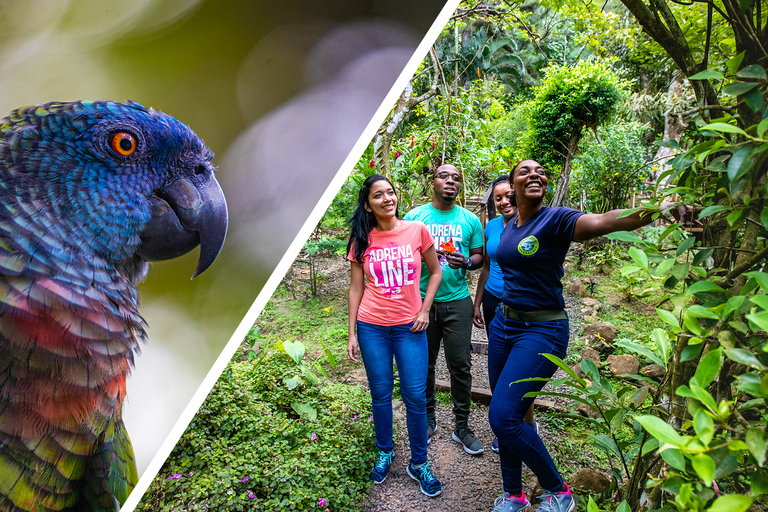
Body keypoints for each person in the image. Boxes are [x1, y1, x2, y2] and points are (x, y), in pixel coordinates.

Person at [488, 160, 676, 512]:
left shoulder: (556, 218)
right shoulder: (510, 225)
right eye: (524, 171)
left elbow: (604, 221)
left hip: (542, 328)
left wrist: (657, 208)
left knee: (503, 417)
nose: (535, 174)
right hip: (503, 325)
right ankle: (513, 494)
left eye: (540, 170)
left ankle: (559, 492)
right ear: (511, 185)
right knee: (510, 413)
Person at [347, 174, 443, 497]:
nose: (387, 198)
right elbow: (356, 288)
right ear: (368, 204)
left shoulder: (417, 230)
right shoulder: (362, 239)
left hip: (410, 327)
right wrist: (352, 334)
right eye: (378, 195)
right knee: (381, 393)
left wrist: (424, 309)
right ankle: (385, 451)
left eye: (390, 192)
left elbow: (436, 272)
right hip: (372, 326)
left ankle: (419, 462)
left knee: (415, 396)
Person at [404, 164, 485, 455]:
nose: (450, 181)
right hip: (422, 302)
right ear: (433, 182)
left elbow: (479, 257)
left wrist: (467, 262)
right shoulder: (415, 217)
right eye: (443, 176)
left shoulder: (470, 219)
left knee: (460, 366)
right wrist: (423, 255)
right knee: (424, 365)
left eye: (456, 178)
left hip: (458, 302)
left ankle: (461, 426)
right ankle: (428, 420)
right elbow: (403, 253)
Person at [471, 176, 535, 454]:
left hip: (522, 300)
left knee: (519, 368)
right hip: (494, 299)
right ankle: (505, 425)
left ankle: (527, 425)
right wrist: (478, 302)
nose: (505, 201)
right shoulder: (492, 226)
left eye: (509, 195)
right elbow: (485, 266)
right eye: (499, 198)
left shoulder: (533, 222)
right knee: (500, 363)